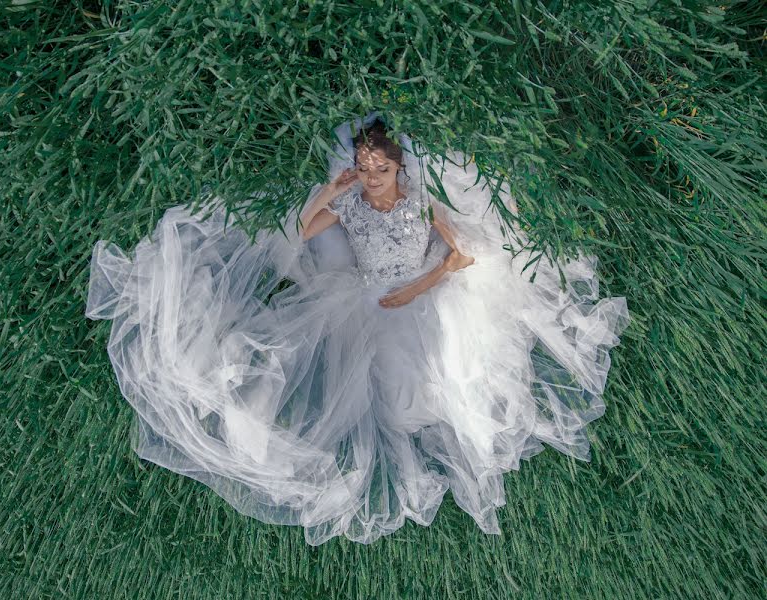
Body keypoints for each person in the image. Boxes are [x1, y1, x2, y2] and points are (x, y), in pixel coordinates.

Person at [85, 111, 630, 546]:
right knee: (375, 395)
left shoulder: (419, 205)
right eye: (364, 169)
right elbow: (300, 230)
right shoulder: (351, 207)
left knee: (431, 388)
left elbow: (461, 254)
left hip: (417, 289)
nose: (371, 180)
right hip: (366, 296)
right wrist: (332, 189)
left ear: (399, 170)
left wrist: (421, 286)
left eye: (380, 171)